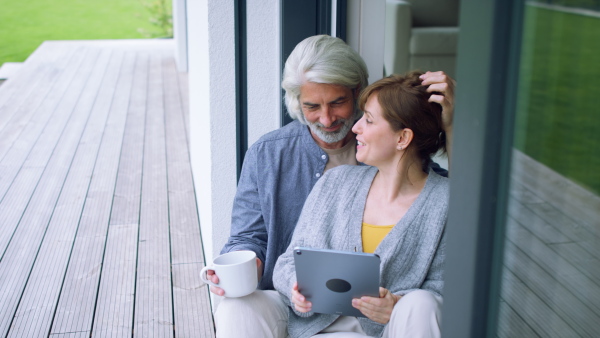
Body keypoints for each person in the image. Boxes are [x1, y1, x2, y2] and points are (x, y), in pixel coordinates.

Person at [210, 35, 455, 338]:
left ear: (356, 92)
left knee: (420, 303)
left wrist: (450, 126)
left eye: (338, 103)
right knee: (236, 307)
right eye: (312, 106)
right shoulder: (278, 157)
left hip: (386, 324)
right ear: (297, 104)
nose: (327, 119)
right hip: (305, 315)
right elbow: (260, 245)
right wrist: (248, 269)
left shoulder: (430, 189)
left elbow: (443, 192)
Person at [273, 72, 449, 338]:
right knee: (239, 305)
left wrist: (397, 305)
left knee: (421, 304)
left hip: (389, 331)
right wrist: (295, 286)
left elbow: (443, 291)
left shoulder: (445, 202)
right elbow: (287, 262)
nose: (356, 127)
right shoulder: (335, 182)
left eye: (368, 119)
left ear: (402, 138)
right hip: (317, 328)